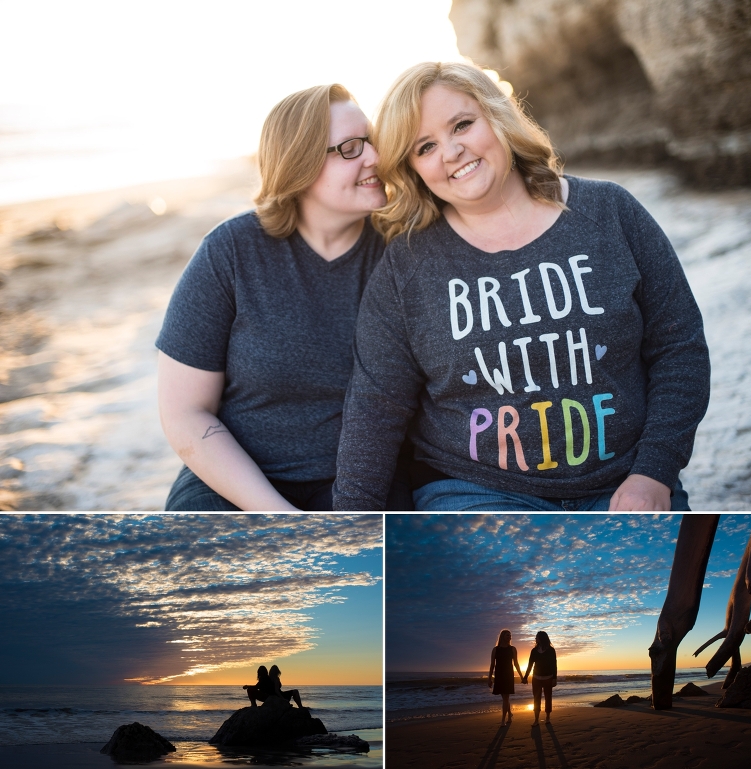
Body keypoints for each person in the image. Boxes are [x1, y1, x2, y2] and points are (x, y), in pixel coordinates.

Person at [333, 61, 710, 511]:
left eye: (462, 124)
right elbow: (376, 409)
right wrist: (348, 526)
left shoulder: (610, 211)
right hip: (475, 492)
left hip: (625, 482)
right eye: (425, 147)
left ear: (497, 116)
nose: (451, 151)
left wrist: (654, 472)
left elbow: (679, 348)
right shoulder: (406, 266)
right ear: (412, 169)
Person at [156, 83, 412, 511]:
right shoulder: (231, 252)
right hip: (236, 482)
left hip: (368, 484)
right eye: (351, 148)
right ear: (300, 166)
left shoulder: (404, 251)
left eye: (372, 141)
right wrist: (279, 518)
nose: (375, 158)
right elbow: (185, 413)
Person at [488, 629, 524, 724]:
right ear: (502, 636)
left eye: (510, 635)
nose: (509, 637)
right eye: (507, 635)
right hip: (499, 674)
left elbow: (516, 664)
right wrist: (489, 678)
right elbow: (492, 665)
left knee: (506, 697)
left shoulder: (512, 649)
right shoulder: (495, 650)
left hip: (508, 674)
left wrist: (521, 676)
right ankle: (510, 714)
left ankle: (503, 720)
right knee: (504, 697)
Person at [522, 631, 557, 726]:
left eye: (536, 637)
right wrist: (525, 677)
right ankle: (536, 719)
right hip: (536, 678)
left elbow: (554, 665)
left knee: (548, 698)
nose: (535, 639)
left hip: (548, 678)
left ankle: (547, 717)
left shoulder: (551, 650)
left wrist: (554, 678)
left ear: (541, 638)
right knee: (536, 698)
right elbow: (530, 664)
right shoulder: (534, 650)